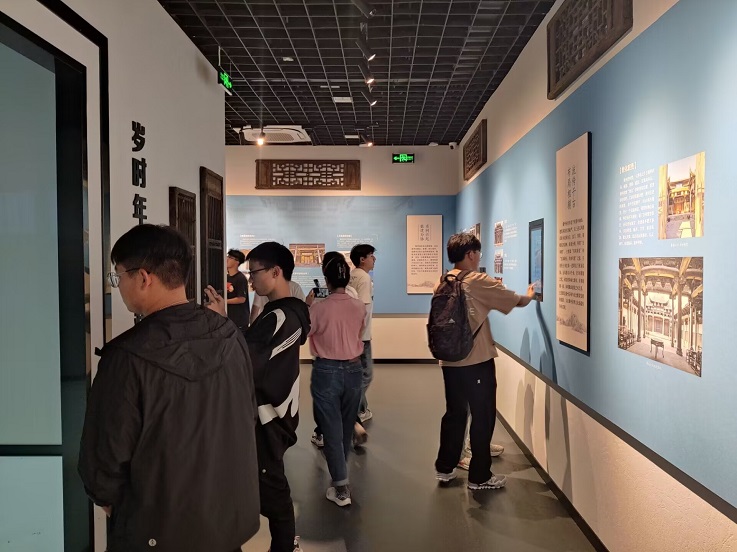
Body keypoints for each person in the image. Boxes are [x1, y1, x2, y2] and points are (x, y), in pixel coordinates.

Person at [78, 224, 260, 552]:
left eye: (119, 276)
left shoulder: (126, 357)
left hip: (156, 533)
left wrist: (120, 509)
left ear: (143, 278)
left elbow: (103, 464)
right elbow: (247, 415)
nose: (118, 286)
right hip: (226, 525)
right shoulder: (230, 335)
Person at [206, 241, 310, 552]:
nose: (251, 281)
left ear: (276, 272)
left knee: (275, 495)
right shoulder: (285, 313)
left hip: (268, 418)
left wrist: (221, 322)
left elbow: (245, 359)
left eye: (255, 273)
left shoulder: (281, 317)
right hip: (273, 414)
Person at [433, 232, 536, 491]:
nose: (479, 258)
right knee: (483, 415)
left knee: (455, 413)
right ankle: (479, 477)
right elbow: (515, 301)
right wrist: (530, 295)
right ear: (470, 254)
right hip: (476, 360)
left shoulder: (443, 281)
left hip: (449, 361)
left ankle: (445, 467)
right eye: (478, 253)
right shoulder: (477, 281)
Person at [307, 253, 365, 507]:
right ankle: (340, 478)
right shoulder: (359, 306)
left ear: (327, 280)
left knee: (331, 428)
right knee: (345, 426)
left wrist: (307, 306)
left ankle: (341, 488)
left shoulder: (318, 308)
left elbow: (306, 331)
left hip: (326, 370)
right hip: (354, 370)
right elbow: (358, 331)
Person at [349, 244, 376, 424]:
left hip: (351, 333)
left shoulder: (351, 275)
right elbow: (363, 310)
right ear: (362, 259)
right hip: (361, 336)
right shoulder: (364, 278)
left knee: (356, 374)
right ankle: (352, 411)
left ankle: (362, 409)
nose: (374, 259)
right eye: (371, 255)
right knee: (366, 375)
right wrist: (359, 337)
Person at [226, 248, 250, 334]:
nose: (227, 259)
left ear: (237, 262)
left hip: (239, 320)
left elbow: (241, 299)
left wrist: (225, 301)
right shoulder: (226, 277)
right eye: (227, 256)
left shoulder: (240, 278)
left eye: (230, 257)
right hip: (229, 319)